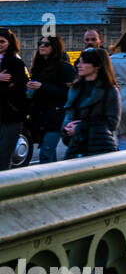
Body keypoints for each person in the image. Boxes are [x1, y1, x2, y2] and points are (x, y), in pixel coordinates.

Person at [62, 48, 121, 159]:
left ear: (97, 65)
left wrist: (80, 128)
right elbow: (69, 114)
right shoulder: (75, 88)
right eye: (78, 62)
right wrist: (66, 128)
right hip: (76, 146)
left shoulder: (110, 90)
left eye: (83, 62)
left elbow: (112, 123)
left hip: (99, 149)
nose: (78, 65)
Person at [26, 35, 76, 163]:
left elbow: (68, 93)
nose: (41, 46)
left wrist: (42, 86)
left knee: (46, 153)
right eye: (40, 43)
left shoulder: (65, 67)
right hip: (41, 115)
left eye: (46, 44)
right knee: (48, 153)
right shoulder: (39, 66)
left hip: (56, 115)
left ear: (54, 47)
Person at [0, 28, 29, 169]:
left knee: (4, 154)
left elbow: (18, 88)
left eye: (2, 42)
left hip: (10, 113)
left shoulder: (16, 62)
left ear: (10, 42)